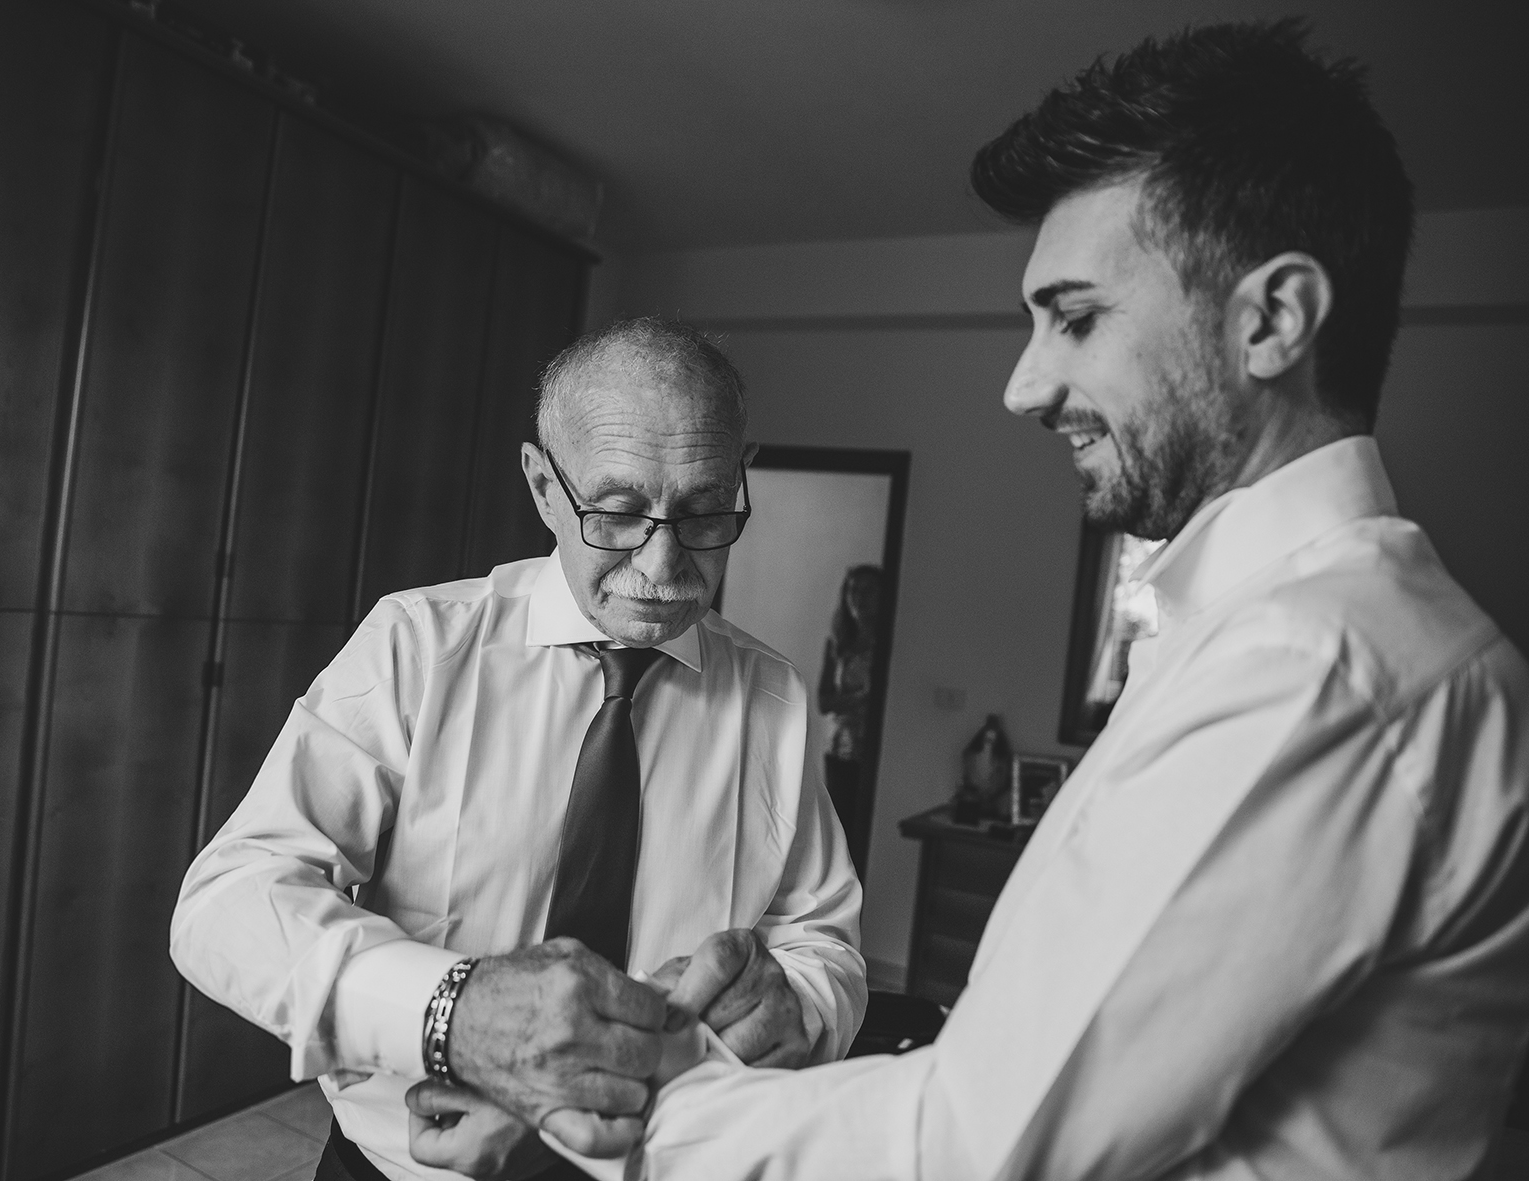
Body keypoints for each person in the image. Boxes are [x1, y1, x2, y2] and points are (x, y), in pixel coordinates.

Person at [549, 20, 1529, 1180]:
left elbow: (975, 1142)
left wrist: (603, 1107)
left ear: (1270, 319)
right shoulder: (1266, 634)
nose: (1023, 385)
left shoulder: (1322, 666)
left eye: (1074, 317)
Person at [170, 316, 865, 1181]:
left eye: (702, 512)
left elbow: (823, 938)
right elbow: (225, 901)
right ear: (543, 485)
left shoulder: (775, 698)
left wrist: (800, 1001)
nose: (661, 564)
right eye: (615, 512)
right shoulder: (416, 646)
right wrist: (452, 1012)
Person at [815, 564, 883, 872]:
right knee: (837, 834)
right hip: (841, 748)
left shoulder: (888, 643)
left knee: (866, 833)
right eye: (853, 590)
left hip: (877, 751)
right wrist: (860, 698)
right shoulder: (838, 643)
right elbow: (824, 700)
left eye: (868, 591)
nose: (859, 598)